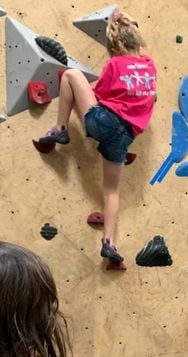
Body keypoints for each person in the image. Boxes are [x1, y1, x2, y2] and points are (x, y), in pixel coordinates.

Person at [38, 10, 157, 266]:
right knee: (111, 191)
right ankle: (110, 243)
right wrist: (127, 21)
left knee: (72, 76)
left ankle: (60, 127)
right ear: (136, 40)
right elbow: (135, 35)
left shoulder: (115, 64)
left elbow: (101, 93)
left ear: (115, 46)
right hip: (125, 137)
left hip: (104, 122)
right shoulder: (150, 66)